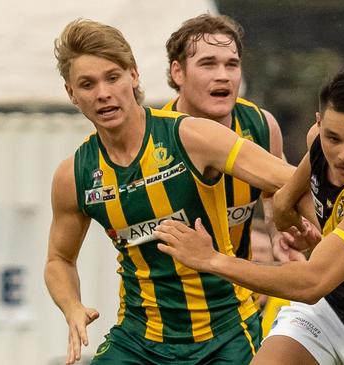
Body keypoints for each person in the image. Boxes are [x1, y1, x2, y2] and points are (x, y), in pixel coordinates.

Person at [44, 18, 294, 365]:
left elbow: (287, 179)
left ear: (133, 75)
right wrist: (71, 307)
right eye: (87, 84)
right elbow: (58, 259)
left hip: (225, 332)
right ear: (71, 93)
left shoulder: (190, 136)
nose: (103, 93)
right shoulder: (75, 174)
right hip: (139, 339)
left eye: (112, 77)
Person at [155, 65, 344, 364]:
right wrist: (298, 228)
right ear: (319, 123)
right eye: (333, 138)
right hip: (327, 313)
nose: (343, 154)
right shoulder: (317, 141)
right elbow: (283, 201)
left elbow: (311, 283)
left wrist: (211, 259)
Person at [163, 14, 315, 263]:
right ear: (178, 72)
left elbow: (272, 197)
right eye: (208, 64)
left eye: (232, 64)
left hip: (237, 296)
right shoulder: (153, 135)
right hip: (159, 300)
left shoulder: (262, 126)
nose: (223, 75)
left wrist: (279, 235)